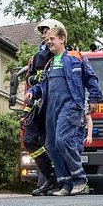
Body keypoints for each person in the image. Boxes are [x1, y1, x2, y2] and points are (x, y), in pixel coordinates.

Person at [26, 26, 103, 196]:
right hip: (50, 108)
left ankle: (80, 180)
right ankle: (65, 183)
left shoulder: (76, 58)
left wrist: (95, 99)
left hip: (70, 106)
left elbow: (91, 78)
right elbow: (41, 85)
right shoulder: (49, 64)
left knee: (62, 141)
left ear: (62, 39)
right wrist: (33, 91)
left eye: (52, 39)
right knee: (52, 146)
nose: (49, 43)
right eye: (46, 41)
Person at [24, 18, 63, 196]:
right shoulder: (37, 56)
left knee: (53, 144)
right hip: (39, 104)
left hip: (55, 105)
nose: (43, 35)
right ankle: (49, 178)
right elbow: (30, 79)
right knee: (29, 140)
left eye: (46, 31)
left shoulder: (61, 54)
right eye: (42, 32)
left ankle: (53, 181)